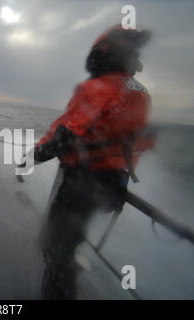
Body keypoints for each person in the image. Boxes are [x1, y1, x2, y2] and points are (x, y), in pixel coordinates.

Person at [20, 25, 155, 299]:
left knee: (58, 249)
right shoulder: (142, 93)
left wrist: (29, 158)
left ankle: (60, 283)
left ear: (102, 54)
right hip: (113, 188)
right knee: (68, 241)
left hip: (82, 185)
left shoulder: (99, 87)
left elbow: (64, 137)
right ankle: (66, 264)